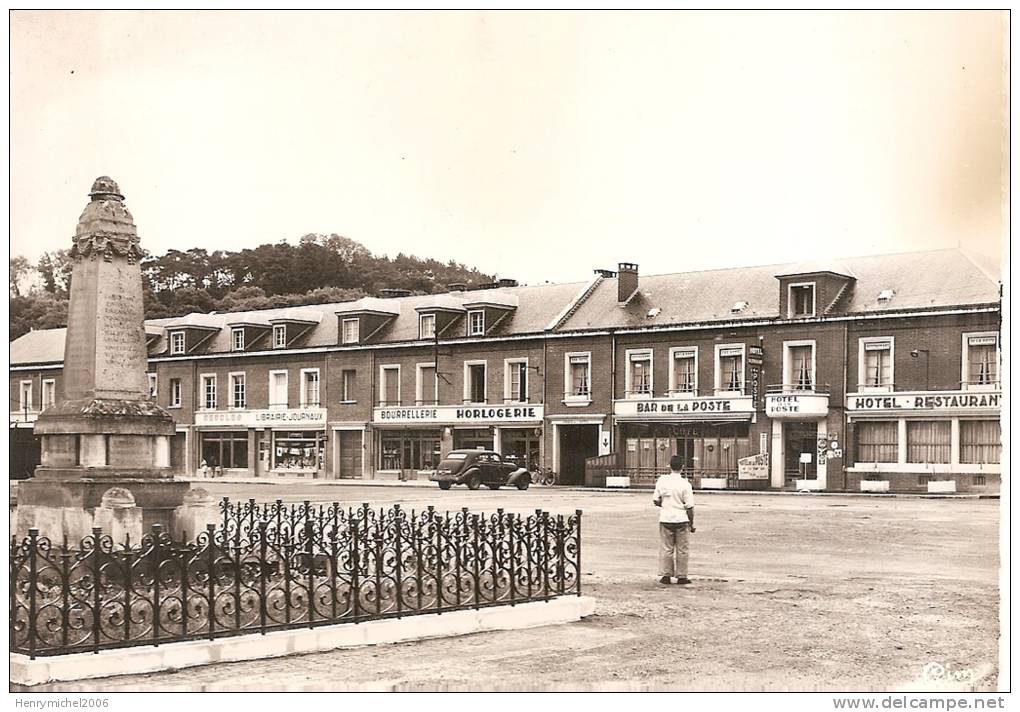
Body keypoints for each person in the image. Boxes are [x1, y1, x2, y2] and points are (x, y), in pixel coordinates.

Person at [652, 455, 696, 585]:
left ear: (669, 466)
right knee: (682, 548)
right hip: (681, 519)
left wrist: (665, 506)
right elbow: (689, 506)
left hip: (666, 518)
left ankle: (666, 575)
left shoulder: (662, 481)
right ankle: (682, 576)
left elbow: (656, 500)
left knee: (666, 548)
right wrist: (692, 523)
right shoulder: (685, 484)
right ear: (682, 467)